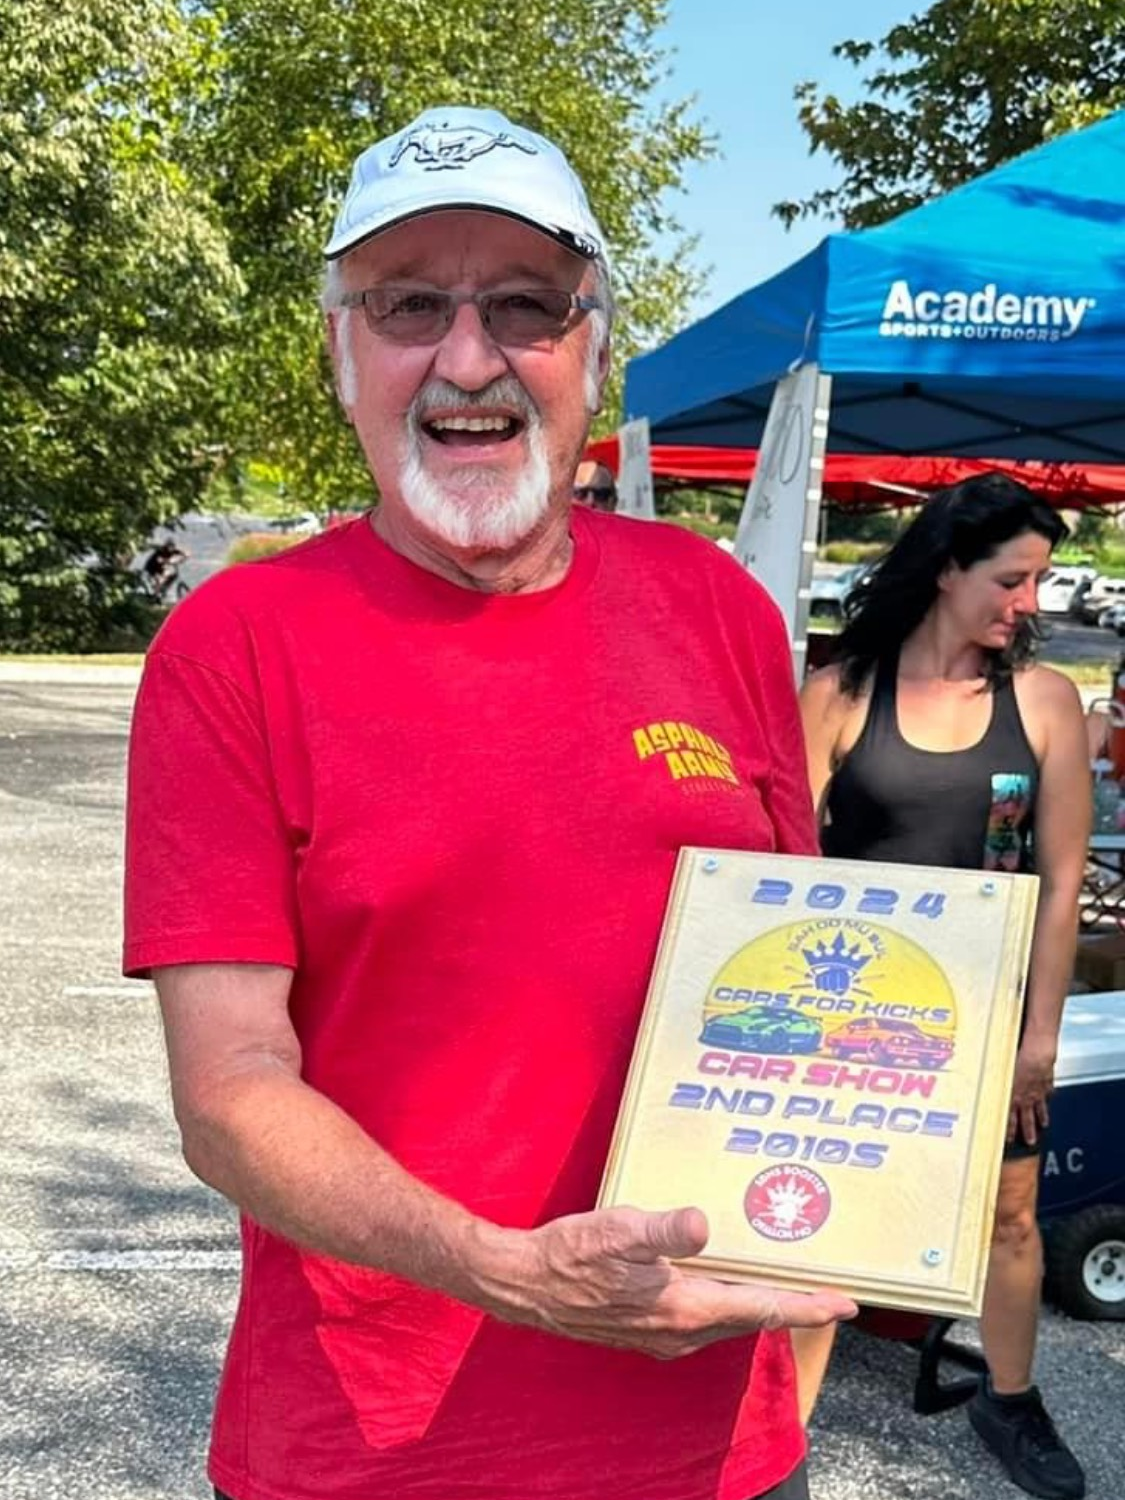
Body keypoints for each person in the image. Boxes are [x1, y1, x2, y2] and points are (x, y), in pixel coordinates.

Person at [123, 104, 855, 1500]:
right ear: (341, 356)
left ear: (592, 349)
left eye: (525, 304)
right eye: (409, 306)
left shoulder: (715, 611)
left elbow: (786, 982)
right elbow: (228, 1091)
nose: (469, 359)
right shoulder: (237, 647)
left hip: (715, 1447)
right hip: (368, 1457)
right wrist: (500, 1273)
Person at [797, 473, 1089, 1500]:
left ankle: (1009, 1400)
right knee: (829, 1220)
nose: (1030, 607)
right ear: (947, 567)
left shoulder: (1047, 703)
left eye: (1042, 585)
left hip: (990, 1021)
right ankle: (777, 1436)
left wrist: (1038, 1038)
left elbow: (1057, 893)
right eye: (1013, 581)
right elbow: (781, 871)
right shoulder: (841, 692)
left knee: (1010, 1218)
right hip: (855, 1020)